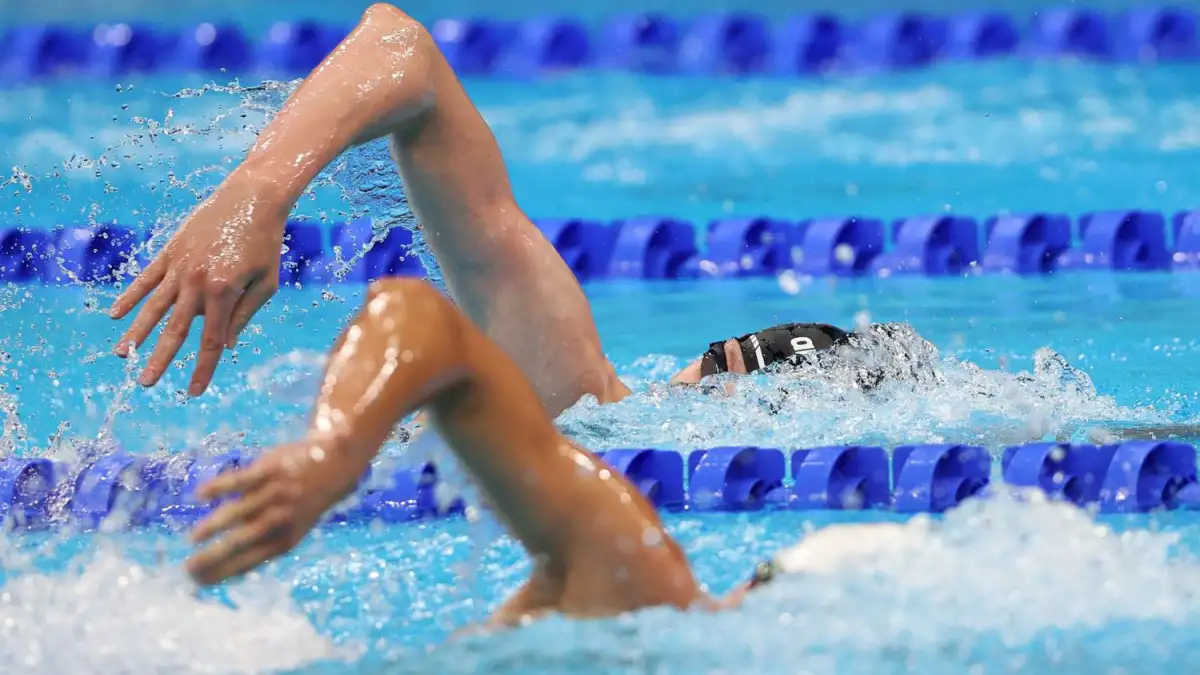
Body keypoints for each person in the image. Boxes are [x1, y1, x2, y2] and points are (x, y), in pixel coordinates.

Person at [105, 3, 907, 418]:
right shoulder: (568, 389)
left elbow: (403, 50)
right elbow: (398, 44)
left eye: (716, 367)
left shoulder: (567, 397)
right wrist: (256, 194)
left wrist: (260, 192)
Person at [185, 276, 925, 624]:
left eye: (714, 372)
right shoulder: (639, 574)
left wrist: (335, 451)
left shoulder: (643, 574)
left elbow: (413, 314)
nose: (681, 382)